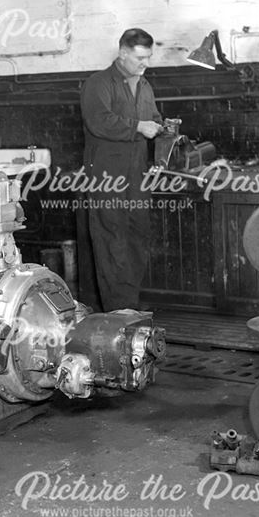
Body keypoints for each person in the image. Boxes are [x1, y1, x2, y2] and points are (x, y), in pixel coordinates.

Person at [81, 27, 164, 311]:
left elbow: (153, 118)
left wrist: (165, 128)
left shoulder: (144, 86)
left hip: (137, 178)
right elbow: (99, 121)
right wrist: (139, 127)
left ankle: (130, 306)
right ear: (123, 53)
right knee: (112, 243)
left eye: (149, 57)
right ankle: (118, 313)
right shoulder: (99, 83)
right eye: (141, 57)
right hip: (107, 179)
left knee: (137, 241)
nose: (145, 64)